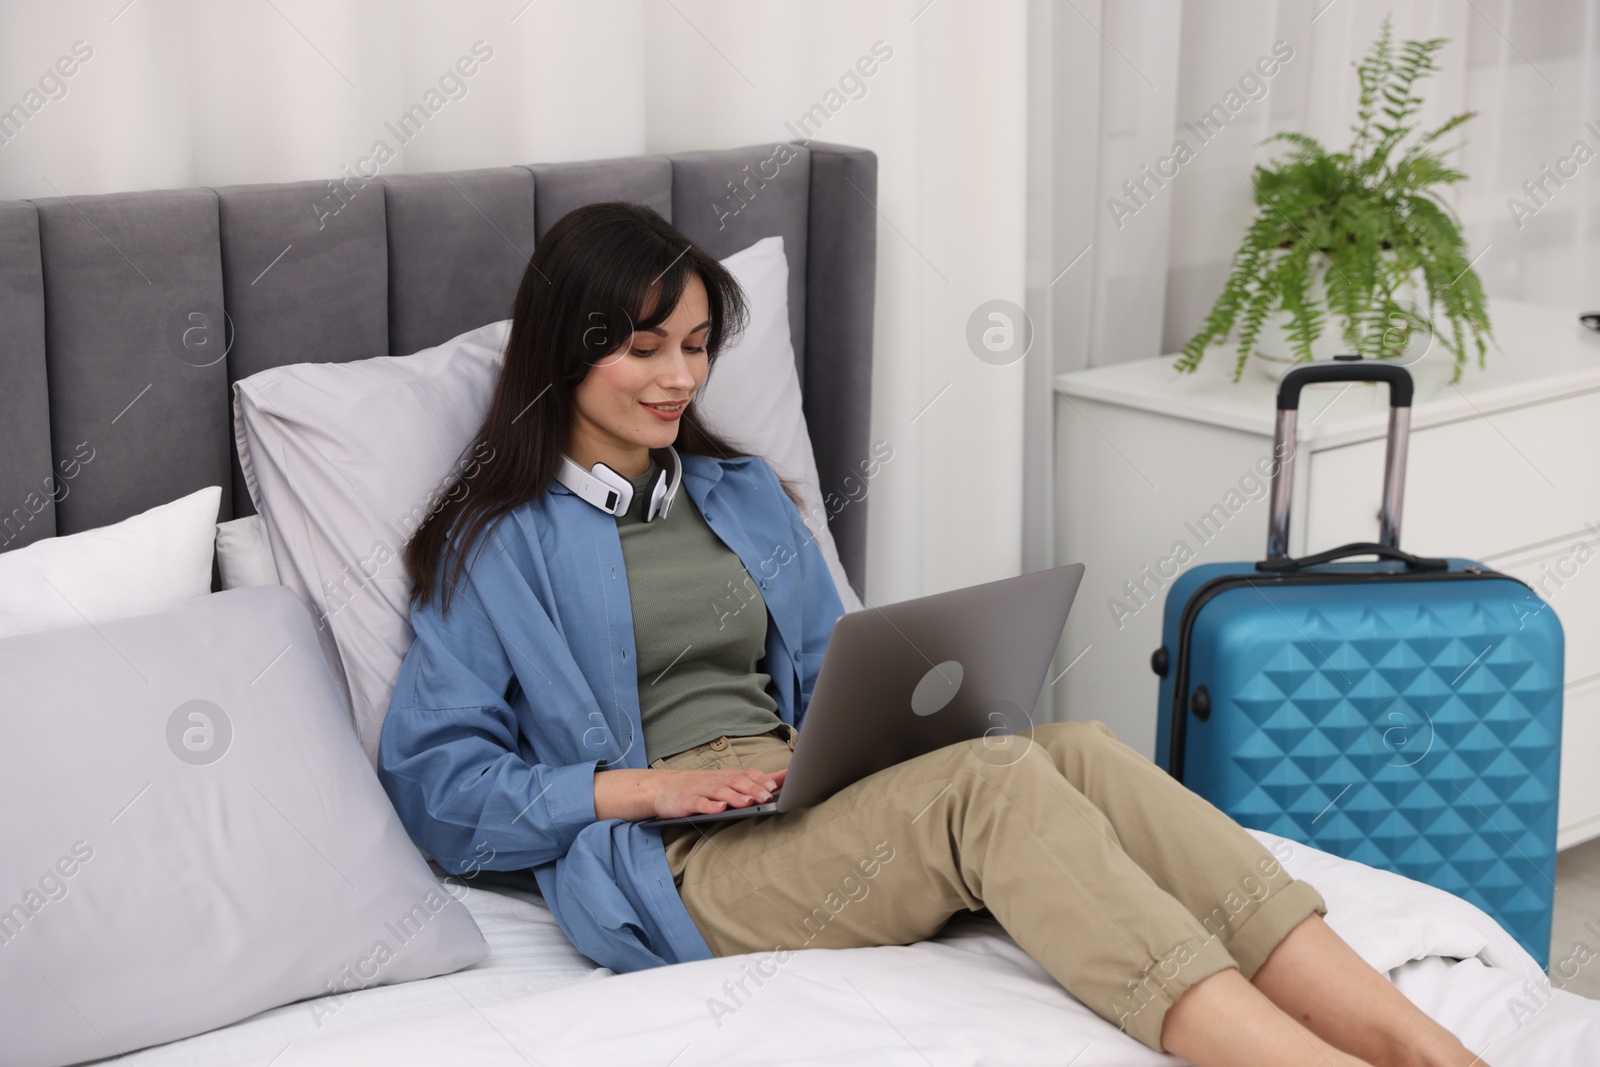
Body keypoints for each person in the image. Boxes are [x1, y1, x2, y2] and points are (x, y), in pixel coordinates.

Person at [377, 202, 1490, 1067]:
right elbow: (436, 788)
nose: (680, 377)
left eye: (699, 345)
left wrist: (882, 731)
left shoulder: (740, 493)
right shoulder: (494, 546)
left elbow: (831, 672)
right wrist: (634, 789)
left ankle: (1418, 1043)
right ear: (566, 350)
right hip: (678, 864)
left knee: (1082, 748)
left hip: (797, 799)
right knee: (994, 786)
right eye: (644, 347)